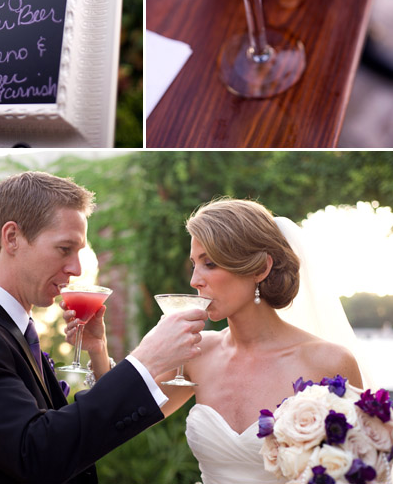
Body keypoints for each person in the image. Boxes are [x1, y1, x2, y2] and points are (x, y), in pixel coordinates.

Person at [0, 171, 208, 484]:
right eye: (65, 249)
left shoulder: (11, 332)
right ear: (12, 238)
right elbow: (38, 453)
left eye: (79, 252)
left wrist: (99, 352)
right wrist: (146, 359)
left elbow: (69, 435)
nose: (76, 268)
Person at [156, 198, 365, 484]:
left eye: (210, 263)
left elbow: (356, 469)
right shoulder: (196, 352)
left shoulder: (329, 363)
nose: (194, 280)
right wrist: (98, 346)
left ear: (260, 269)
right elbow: (128, 414)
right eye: (194, 264)